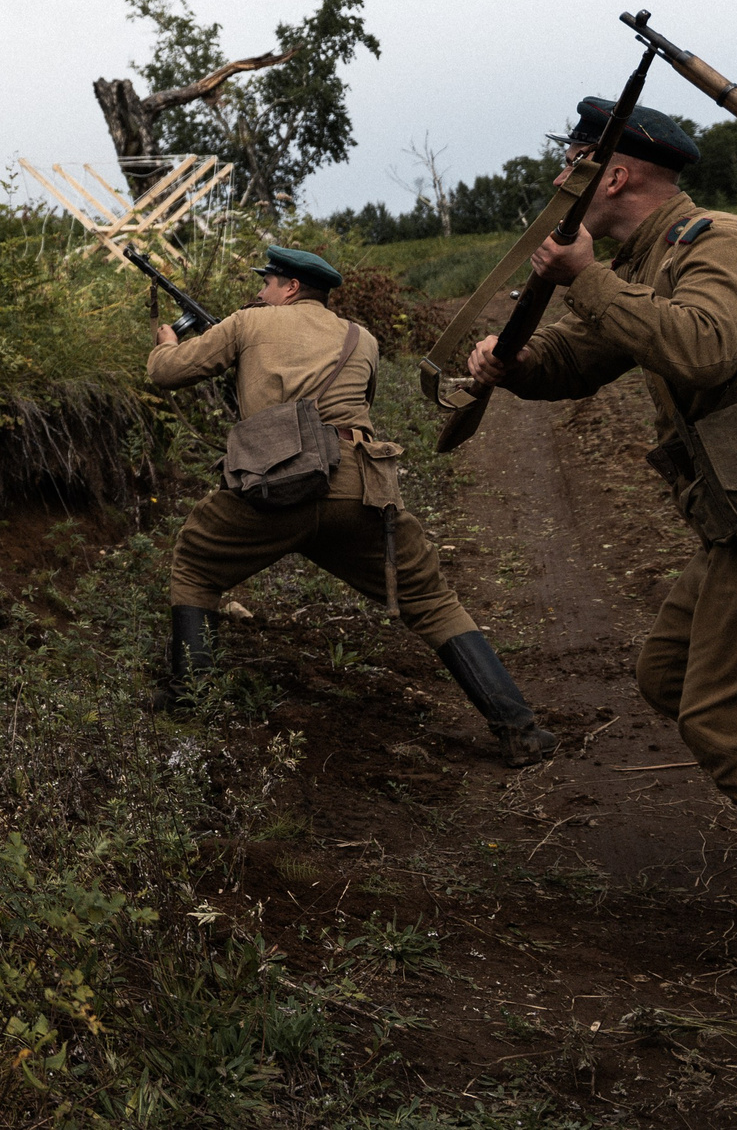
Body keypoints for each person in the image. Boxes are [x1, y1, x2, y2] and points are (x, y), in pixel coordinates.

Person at [468, 99, 737, 1007]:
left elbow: (701, 348)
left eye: (572, 163)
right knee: (670, 672)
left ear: (610, 174)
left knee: (732, 725)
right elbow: (586, 355)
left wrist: (586, 279)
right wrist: (515, 365)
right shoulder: (646, 259)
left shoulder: (723, 241)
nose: (558, 181)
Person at [150, 246, 557, 765]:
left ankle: (192, 700)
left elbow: (167, 375)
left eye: (267, 283)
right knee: (432, 602)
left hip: (275, 486)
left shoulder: (247, 323)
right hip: (358, 485)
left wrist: (166, 343)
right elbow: (351, 398)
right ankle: (519, 730)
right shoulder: (361, 337)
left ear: (290, 288)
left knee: (195, 566)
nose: (259, 292)